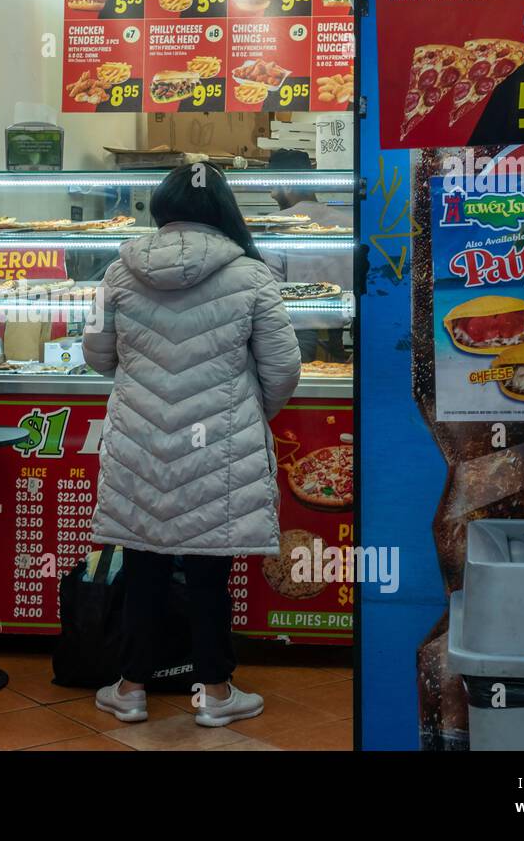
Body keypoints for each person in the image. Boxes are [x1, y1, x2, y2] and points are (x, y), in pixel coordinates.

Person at [84, 162, 302, 727]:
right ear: (222, 209)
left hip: (139, 437)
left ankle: (130, 690)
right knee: (210, 572)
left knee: (144, 568)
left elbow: (96, 356)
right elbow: (283, 370)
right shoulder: (254, 275)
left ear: (161, 207)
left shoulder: (112, 274)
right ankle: (216, 694)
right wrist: (245, 415)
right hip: (219, 447)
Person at [262, 186, 353, 362]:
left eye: (274, 190)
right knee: (337, 387)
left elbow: (271, 288)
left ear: (288, 186)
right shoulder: (347, 222)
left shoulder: (274, 224)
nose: (271, 194)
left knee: (302, 387)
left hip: (295, 332)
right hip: (338, 331)